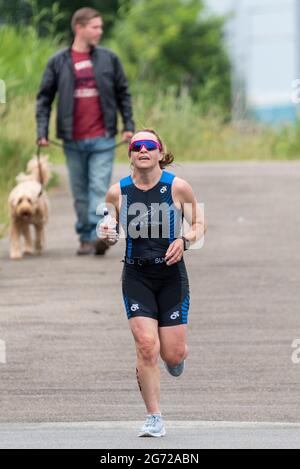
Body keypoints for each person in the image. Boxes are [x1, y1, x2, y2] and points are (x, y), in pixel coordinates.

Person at [98, 129, 207, 437]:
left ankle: (176, 361)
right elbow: (108, 227)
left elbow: (200, 222)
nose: (142, 150)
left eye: (150, 146)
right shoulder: (116, 193)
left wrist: (185, 240)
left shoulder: (178, 188)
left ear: (160, 153)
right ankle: (154, 417)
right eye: (136, 146)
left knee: (172, 354)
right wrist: (105, 235)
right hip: (136, 276)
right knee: (147, 346)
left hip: (171, 275)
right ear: (130, 154)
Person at [36, 7, 134, 256]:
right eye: (95, 27)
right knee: (79, 193)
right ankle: (85, 236)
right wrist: (42, 131)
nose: (100, 31)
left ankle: (96, 235)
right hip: (72, 139)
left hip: (103, 136)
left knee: (98, 187)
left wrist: (128, 126)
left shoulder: (109, 59)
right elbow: (44, 98)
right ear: (79, 28)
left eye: (101, 27)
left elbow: (123, 93)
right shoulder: (58, 61)